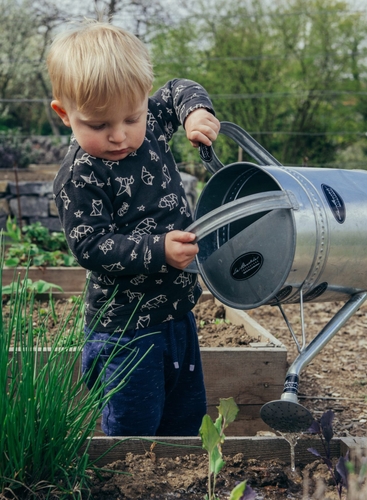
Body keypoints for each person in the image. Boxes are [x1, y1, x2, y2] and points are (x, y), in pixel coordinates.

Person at [47, 19, 220, 437]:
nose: (119, 135)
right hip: (126, 331)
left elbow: (179, 87)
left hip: (178, 314)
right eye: (98, 125)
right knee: (134, 430)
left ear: (144, 100)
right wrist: (158, 249)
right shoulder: (81, 175)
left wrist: (196, 112)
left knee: (185, 418)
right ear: (64, 114)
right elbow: (91, 245)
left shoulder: (154, 122)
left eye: (131, 117)